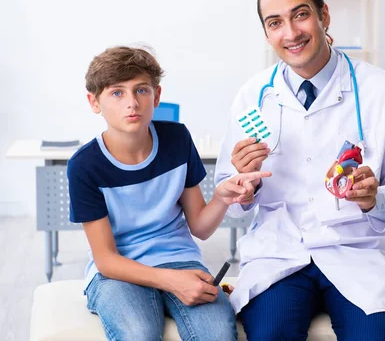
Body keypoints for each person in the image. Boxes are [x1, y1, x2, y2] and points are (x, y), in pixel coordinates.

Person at [215, 0, 385, 340]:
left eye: (301, 15)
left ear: (323, 15)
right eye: (275, 22)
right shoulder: (252, 97)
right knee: (269, 334)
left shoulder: (382, 90)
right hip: (279, 255)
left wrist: (374, 200)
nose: (291, 33)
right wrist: (242, 190)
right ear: (267, 34)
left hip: (358, 252)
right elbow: (227, 200)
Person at [68, 46, 270, 341]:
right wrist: (172, 282)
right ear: (94, 101)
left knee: (217, 335)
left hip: (180, 258)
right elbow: (106, 260)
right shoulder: (85, 165)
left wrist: (222, 198)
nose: (132, 103)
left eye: (141, 90)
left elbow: (200, 227)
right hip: (118, 273)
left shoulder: (177, 139)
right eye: (117, 93)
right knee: (139, 334)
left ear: (157, 96)